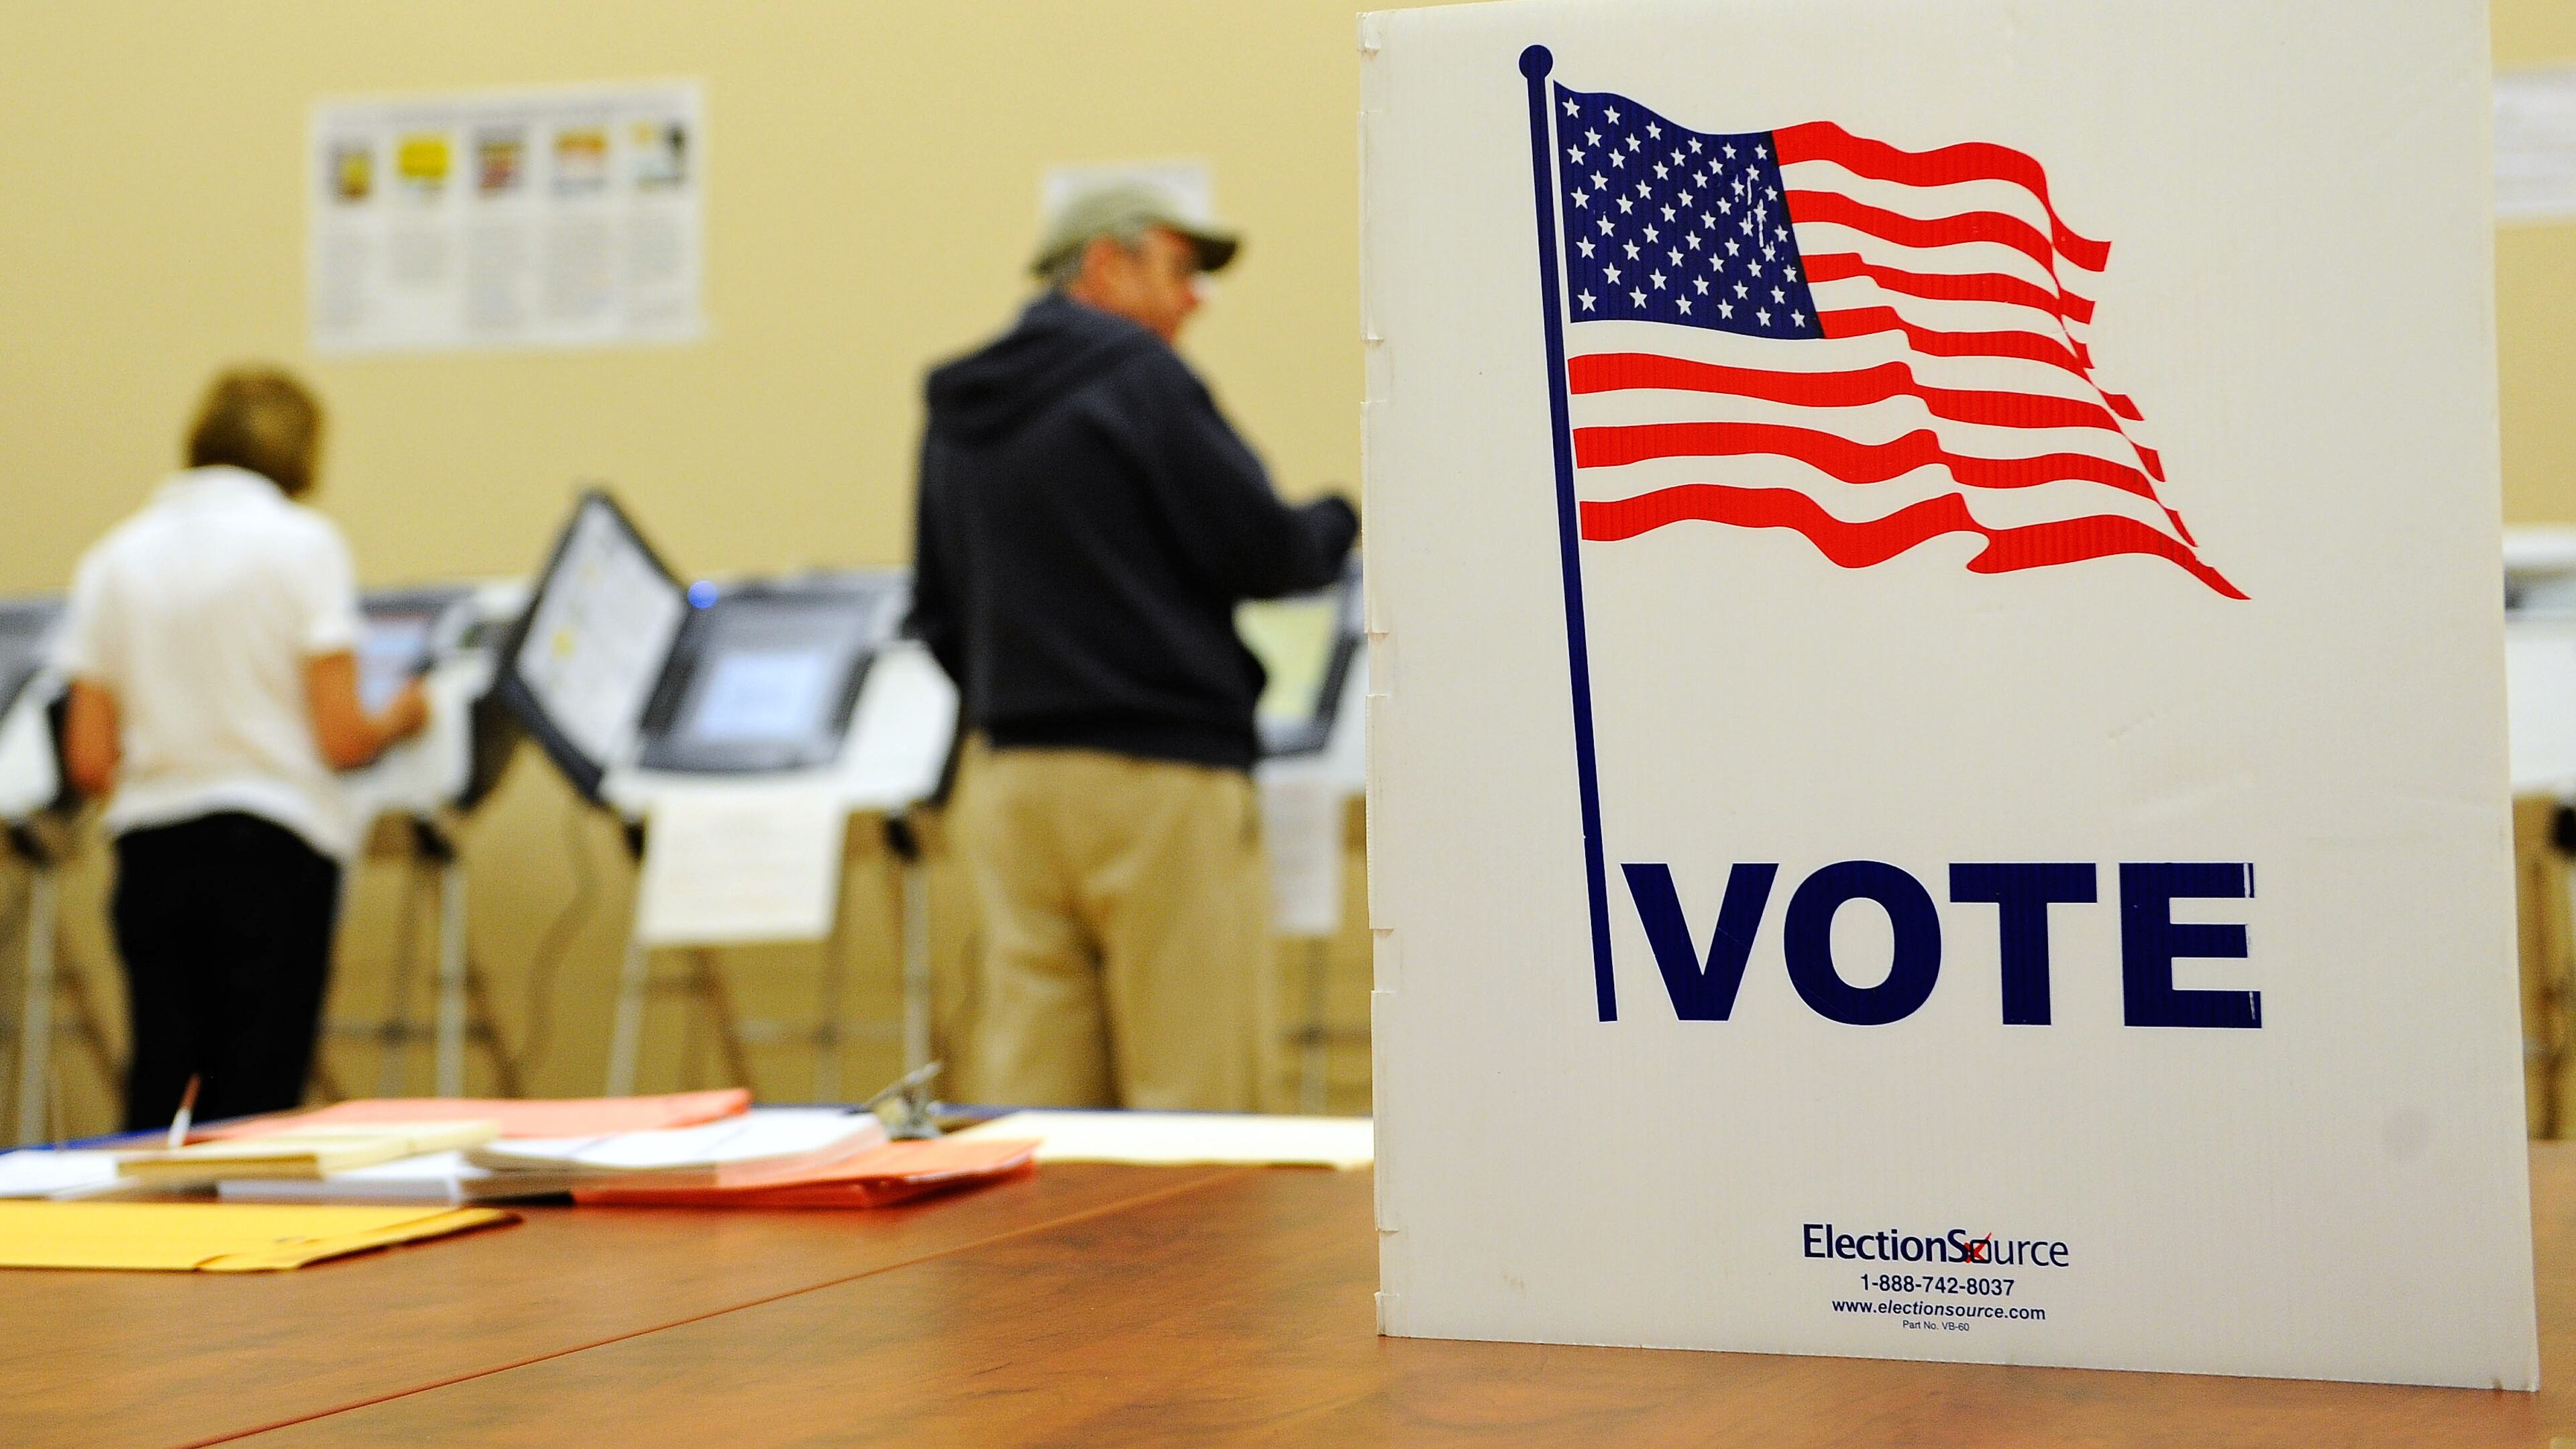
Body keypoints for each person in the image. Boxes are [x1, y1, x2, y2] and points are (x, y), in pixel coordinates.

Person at [909, 180, 1358, 1111]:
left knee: (1042, 1105)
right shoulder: (1139, 377)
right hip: (1159, 785)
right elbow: (1262, 549)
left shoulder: (962, 406)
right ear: (1107, 262)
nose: (1196, 297)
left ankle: (1049, 1269)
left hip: (1013, 785)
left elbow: (937, 609)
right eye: (1182, 268)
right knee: (1195, 1101)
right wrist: (1341, 518)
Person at [60, 366, 429, 1130]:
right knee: (257, 1094)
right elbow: (341, 737)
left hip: (151, 852)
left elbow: (90, 759)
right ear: (302, 453)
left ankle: (143, 1247)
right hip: (274, 849)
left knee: (163, 1083)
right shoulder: (304, 546)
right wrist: (406, 715)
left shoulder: (114, 557)